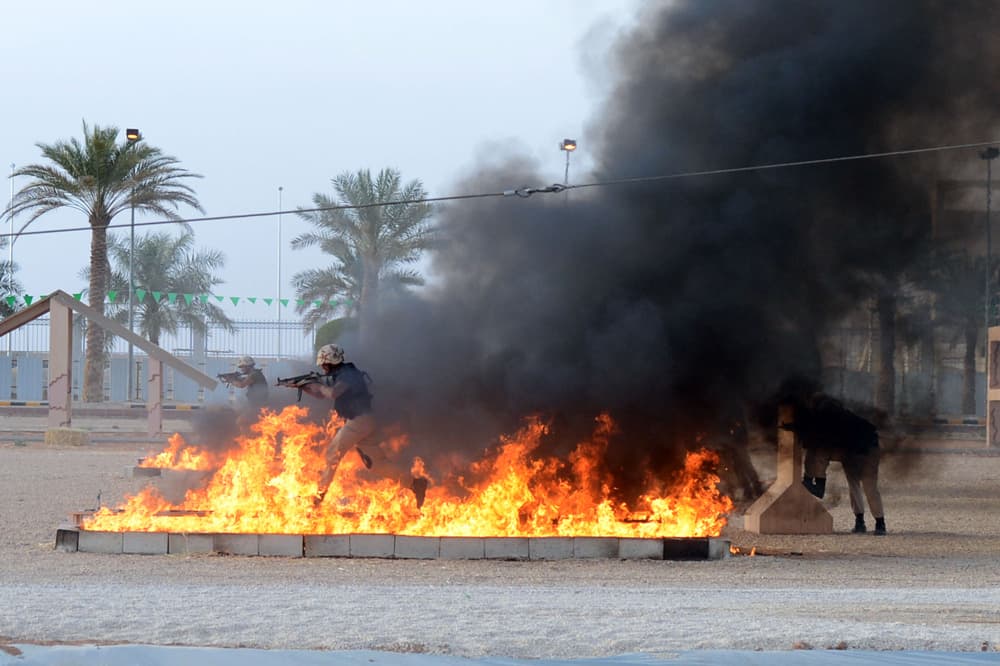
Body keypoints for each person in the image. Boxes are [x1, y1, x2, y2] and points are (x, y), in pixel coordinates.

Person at [783, 391, 886, 535]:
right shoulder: (834, 417)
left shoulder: (833, 419)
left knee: (869, 487)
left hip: (867, 451)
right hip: (850, 452)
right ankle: (860, 521)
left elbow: (816, 433)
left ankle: (879, 523)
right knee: (854, 486)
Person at [294, 344, 377, 506]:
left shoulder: (348, 375)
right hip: (363, 421)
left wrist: (317, 385)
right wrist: (304, 387)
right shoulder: (344, 373)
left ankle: (318, 497)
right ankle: (414, 483)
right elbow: (321, 396)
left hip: (358, 421)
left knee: (333, 452)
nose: (323, 369)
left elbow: (332, 393)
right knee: (379, 464)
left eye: (324, 365)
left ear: (329, 362)